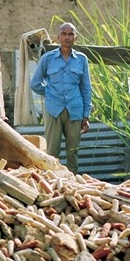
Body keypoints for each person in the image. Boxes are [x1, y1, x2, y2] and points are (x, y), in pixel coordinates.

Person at [30, 22, 92, 173]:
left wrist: (86, 115)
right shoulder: (48, 58)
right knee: (52, 152)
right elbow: (35, 83)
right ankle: (53, 186)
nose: (67, 37)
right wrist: (50, 93)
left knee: (73, 152)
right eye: (64, 34)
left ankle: (73, 185)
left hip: (75, 110)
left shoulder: (81, 59)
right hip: (53, 110)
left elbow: (86, 88)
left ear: (75, 38)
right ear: (58, 38)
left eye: (71, 34)